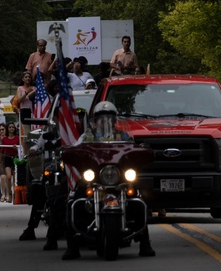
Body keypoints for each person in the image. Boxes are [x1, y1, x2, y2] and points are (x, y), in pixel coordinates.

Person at [63, 101, 155, 260]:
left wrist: (142, 149)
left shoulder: (124, 136)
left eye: (109, 117)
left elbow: (132, 148)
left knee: (138, 198)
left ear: (114, 119)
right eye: (101, 117)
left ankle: (145, 243)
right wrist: (69, 150)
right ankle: (72, 246)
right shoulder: (87, 136)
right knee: (74, 200)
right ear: (95, 120)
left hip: (118, 176)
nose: (105, 121)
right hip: (95, 177)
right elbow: (76, 147)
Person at [0, 121, 21, 202]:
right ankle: (9, 192)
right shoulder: (4, 139)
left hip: (16, 158)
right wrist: (0, 162)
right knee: (8, 177)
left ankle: (15, 193)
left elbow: (21, 150)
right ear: (7, 129)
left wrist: (16, 148)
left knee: (15, 178)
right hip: (7, 158)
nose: (11, 129)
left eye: (12, 127)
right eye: (10, 127)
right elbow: (2, 150)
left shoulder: (17, 138)